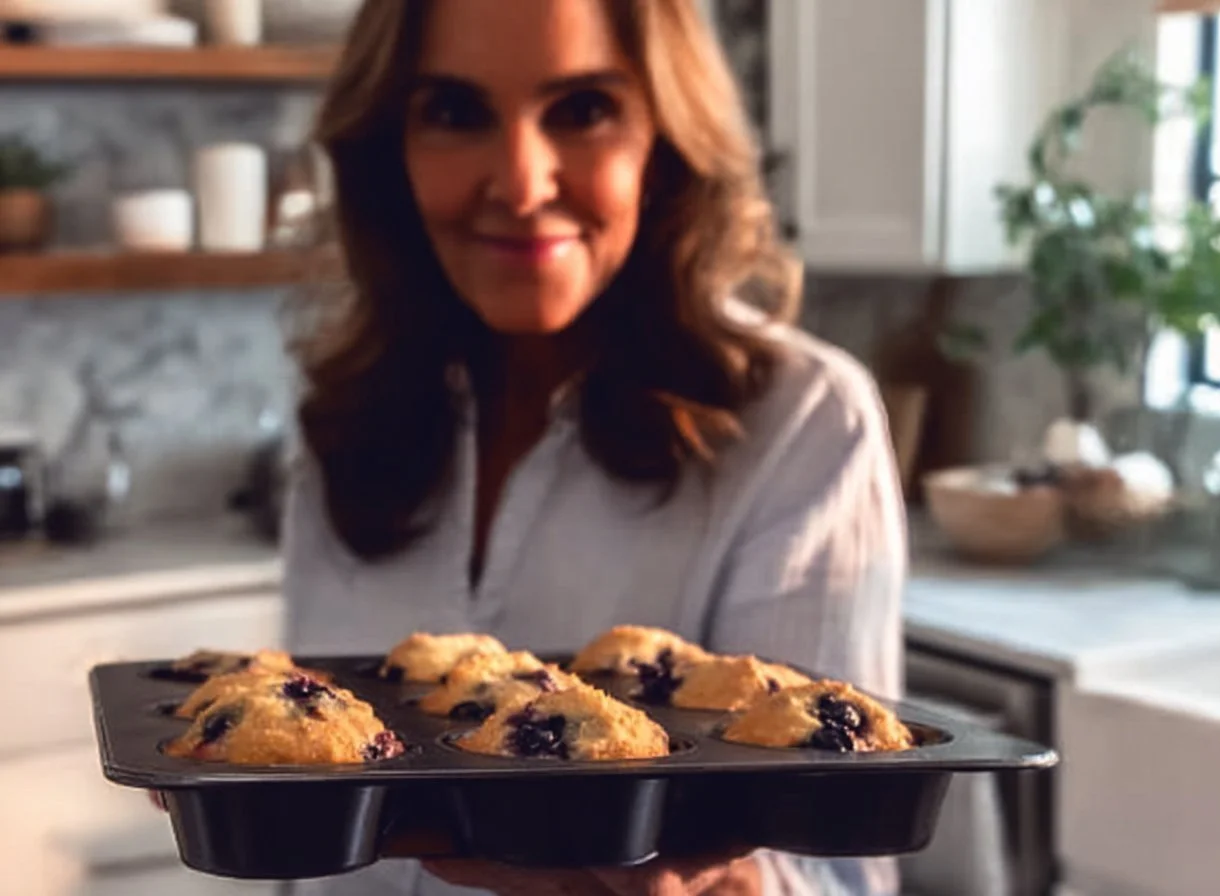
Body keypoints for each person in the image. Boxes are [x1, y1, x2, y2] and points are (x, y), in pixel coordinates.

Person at [283, 1, 906, 893]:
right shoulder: (345, 421)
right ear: (391, 146)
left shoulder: (803, 424)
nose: (522, 183)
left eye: (582, 110)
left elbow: (839, 863)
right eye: (456, 113)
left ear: (668, 134)